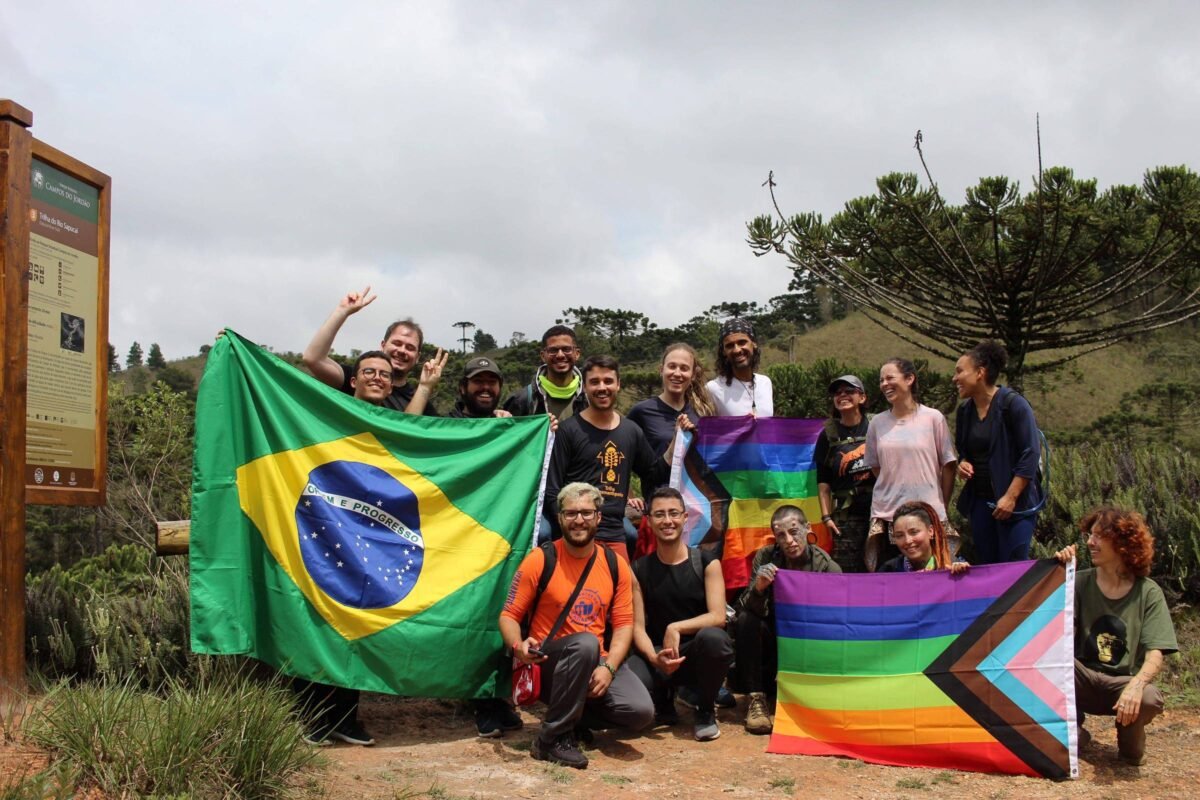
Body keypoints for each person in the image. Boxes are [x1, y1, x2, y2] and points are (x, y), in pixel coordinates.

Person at [499, 483, 654, 769]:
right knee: (585, 642)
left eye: (586, 513)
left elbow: (623, 625)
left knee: (640, 712)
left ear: (598, 517)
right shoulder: (540, 559)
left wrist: (608, 668)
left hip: (595, 661)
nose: (578, 520)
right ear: (559, 518)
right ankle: (551, 739)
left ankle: (571, 720)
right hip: (549, 663)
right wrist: (519, 647)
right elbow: (508, 615)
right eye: (570, 513)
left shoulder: (614, 563)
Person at [296, 350, 395, 747]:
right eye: (369, 371)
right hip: (323, 525)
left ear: (392, 384)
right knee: (316, 615)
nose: (376, 377)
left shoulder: (396, 424)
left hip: (370, 537)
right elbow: (307, 361)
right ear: (352, 380)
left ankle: (343, 717)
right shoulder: (329, 411)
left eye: (384, 374)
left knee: (357, 621)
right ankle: (310, 715)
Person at [1054, 508, 1178, 766]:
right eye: (1090, 535)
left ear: (1122, 542)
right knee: (1053, 665)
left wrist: (1136, 684)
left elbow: (1156, 651)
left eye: (1099, 536)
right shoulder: (1078, 582)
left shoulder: (1148, 592)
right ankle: (1071, 729)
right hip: (1081, 678)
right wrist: (1058, 573)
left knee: (1148, 697)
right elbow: (1049, 630)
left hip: (1121, 685)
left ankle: (1130, 736)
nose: (1090, 542)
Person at [543, 355, 680, 560]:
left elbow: (653, 474)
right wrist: (571, 526)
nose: (601, 387)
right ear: (585, 387)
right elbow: (552, 489)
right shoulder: (567, 431)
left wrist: (675, 443)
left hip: (615, 534)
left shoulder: (631, 431)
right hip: (575, 535)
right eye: (594, 382)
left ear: (618, 385)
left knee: (622, 589)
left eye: (608, 381)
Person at [628, 488, 733, 742]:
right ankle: (662, 697)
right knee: (630, 689)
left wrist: (676, 627)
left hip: (693, 656)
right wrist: (655, 658)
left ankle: (705, 709)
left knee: (715, 639)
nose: (667, 521)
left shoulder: (708, 562)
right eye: (660, 515)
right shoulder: (638, 568)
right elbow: (637, 627)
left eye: (674, 513)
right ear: (650, 521)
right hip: (656, 656)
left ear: (685, 518)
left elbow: (718, 616)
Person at [734, 505, 840, 735]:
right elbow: (742, 607)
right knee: (745, 621)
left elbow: (838, 621)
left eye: (794, 531)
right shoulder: (765, 557)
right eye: (781, 535)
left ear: (808, 528)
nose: (790, 540)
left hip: (808, 646)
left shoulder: (826, 566)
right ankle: (756, 699)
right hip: (773, 642)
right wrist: (760, 588)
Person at [863, 357, 958, 571]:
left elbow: (949, 464)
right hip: (888, 514)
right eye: (881, 380)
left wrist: (940, 500)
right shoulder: (876, 423)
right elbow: (876, 466)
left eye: (890, 378)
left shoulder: (933, 418)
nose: (884, 384)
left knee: (937, 575)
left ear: (909, 379)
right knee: (891, 577)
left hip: (928, 514)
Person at [953, 341, 1043, 564]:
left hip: (1016, 506)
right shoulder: (964, 412)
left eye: (960, 371)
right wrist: (962, 464)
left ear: (980, 372)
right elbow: (963, 451)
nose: (955, 378)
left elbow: (1030, 454)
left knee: (1013, 567)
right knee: (987, 566)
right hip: (981, 505)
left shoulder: (1014, 405)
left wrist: (1010, 497)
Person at [301, 286, 446, 415]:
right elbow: (313, 359)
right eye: (397, 343)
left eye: (410, 348)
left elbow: (405, 435)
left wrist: (425, 387)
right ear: (383, 345)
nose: (402, 350)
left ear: (418, 357)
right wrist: (342, 311)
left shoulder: (421, 403)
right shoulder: (360, 378)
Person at [628, 343, 713, 558]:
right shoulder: (642, 412)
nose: (677, 373)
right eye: (671, 366)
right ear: (661, 370)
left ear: (693, 375)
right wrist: (628, 495)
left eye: (684, 368)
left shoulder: (703, 413)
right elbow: (621, 457)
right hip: (658, 510)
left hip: (696, 511)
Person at [814, 374, 876, 572]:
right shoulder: (828, 434)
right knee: (848, 572)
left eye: (849, 391)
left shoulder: (876, 426)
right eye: (837, 392)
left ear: (862, 397)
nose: (842, 395)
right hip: (846, 517)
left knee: (883, 566)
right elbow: (823, 481)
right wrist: (826, 517)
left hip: (880, 511)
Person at [503, 325, 589, 421]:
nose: (560, 355)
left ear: (577, 354)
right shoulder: (523, 400)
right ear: (543, 356)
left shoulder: (589, 397)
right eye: (553, 350)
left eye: (566, 349)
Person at [877, 501, 969, 574]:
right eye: (899, 535)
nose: (908, 541)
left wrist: (964, 576)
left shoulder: (952, 565)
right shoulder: (889, 571)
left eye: (914, 532)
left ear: (930, 531)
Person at [706, 318, 773, 417]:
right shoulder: (713, 389)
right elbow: (708, 430)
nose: (737, 350)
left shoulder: (765, 383)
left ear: (754, 343)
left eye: (742, 342)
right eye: (730, 346)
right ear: (723, 351)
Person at [446, 357, 512, 419]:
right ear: (463, 387)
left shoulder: (505, 425)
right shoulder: (446, 426)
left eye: (492, 382)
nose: (486, 387)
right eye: (478, 381)